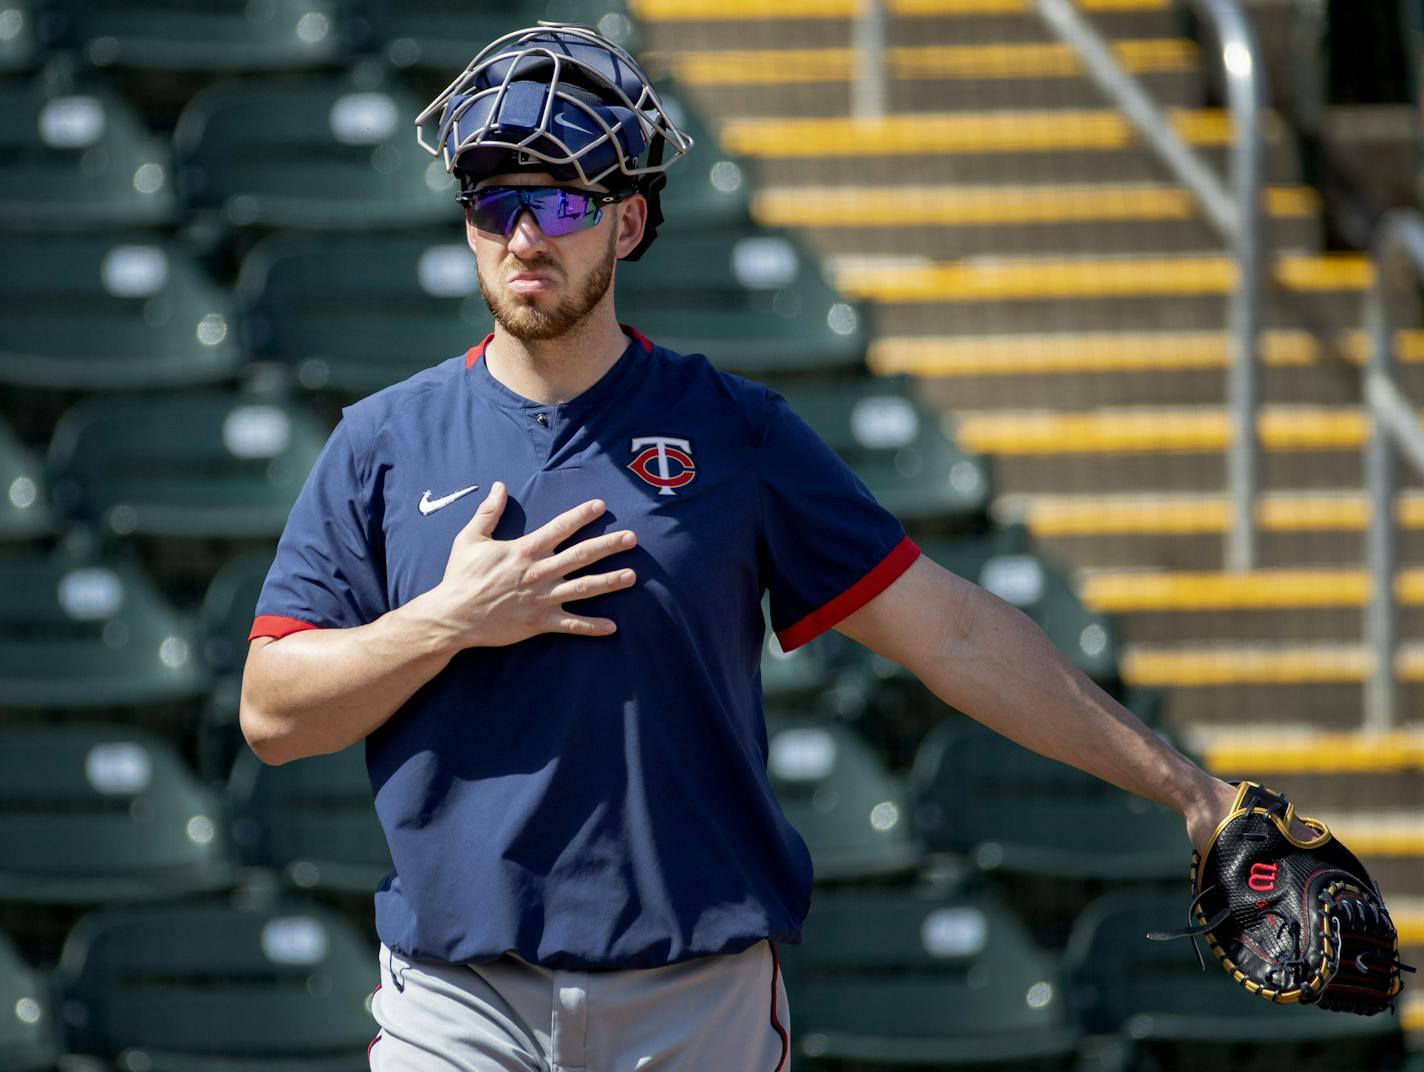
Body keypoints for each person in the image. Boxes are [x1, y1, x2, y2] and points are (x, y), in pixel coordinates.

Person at [240, 23, 1252, 1072]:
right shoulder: (381, 440)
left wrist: (1191, 791)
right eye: (494, 205)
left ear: (626, 222)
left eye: (561, 202)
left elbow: (948, 632)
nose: (523, 238)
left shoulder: (735, 428)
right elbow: (271, 711)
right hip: (456, 1000)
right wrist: (449, 620)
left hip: (693, 992)